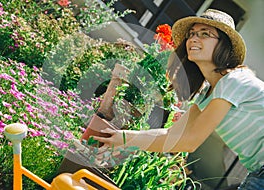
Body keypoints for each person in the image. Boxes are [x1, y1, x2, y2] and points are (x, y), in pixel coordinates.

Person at [93, 9, 264, 189]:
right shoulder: (207, 94)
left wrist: (125, 139)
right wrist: (122, 138)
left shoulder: (233, 80)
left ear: (224, 45)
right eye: (192, 34)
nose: (194, 39)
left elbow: (190, 141)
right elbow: (173, 136)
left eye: (205, 34)